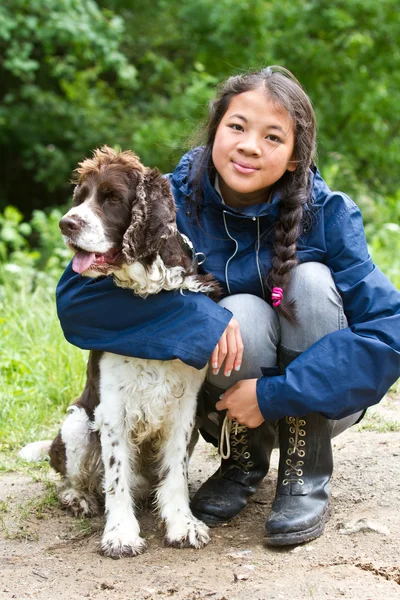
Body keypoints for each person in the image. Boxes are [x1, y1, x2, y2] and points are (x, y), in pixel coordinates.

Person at [56, 66, 400, 546]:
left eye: (272, 136)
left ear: (296, 158)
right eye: (236, 126)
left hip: (315, 403)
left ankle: (303, 470)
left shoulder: (329, 214)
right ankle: (241, 461)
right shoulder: (170, 198)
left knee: (310, 281)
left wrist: (272, 395)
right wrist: (200, 317)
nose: (249, 145)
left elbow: (390, 332)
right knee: (237, 310)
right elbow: (77, 303)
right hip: (221, 406)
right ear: (215, 129)